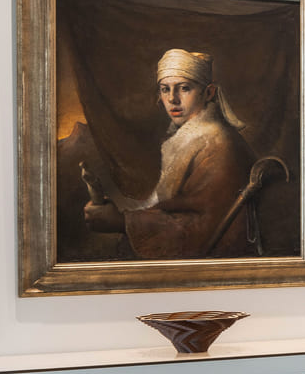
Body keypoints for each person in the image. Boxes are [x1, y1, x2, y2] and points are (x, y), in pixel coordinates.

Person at [82, 49, 258, 258]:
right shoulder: (189, 138)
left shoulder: (218, 144)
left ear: (208, 93)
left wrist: (122, 222)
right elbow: (173, 205)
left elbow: (203, 228)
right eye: (165, 89)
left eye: (184, 88)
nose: (173, 99)